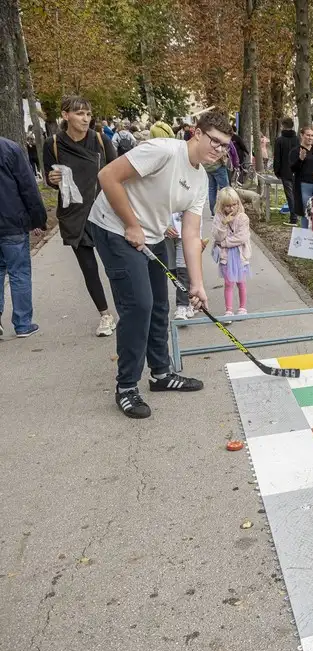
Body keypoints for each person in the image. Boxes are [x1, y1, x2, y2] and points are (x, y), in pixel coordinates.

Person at [87, 109, 232, 419]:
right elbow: (107, 177)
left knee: (159, 305)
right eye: (215, 142)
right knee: (138, 305)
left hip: (150, 233)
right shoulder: (164, 151)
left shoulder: (199, 178)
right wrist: (130, 224)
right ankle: (126, 387)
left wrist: (197, 284)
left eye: (224, 146)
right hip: (113, 226)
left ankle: (161, 375)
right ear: (197, 132)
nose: (219, 150)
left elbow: (191, 235)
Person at [43, 95, 119, 337]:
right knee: (89, 268)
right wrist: (51, 180)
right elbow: (50, 177)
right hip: (75, 215)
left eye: (88, 114)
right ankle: (105, 315)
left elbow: (118, 174)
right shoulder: (52, 144)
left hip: (105, 213)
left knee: (116, 265)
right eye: (79, 114)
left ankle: (127, 310)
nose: (86, 118)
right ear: (66, 116)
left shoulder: (101, 140)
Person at [0, 136, 47, 339]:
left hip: (11, 221)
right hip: (12, 221)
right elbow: (27, 186)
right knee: (19, 272)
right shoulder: (9, 148)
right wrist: (37, 218)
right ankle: (22, 323)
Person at [211, 187, 252, 316]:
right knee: (228, 283)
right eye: (227, 206)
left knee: (241, 282)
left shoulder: (243, 218)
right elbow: (217, 236)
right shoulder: (218, 217)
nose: (231, 208)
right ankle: (228, 310)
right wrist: (223, 224)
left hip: (240, 255)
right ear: (221, 205)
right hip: (226, 256)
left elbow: (242, 237)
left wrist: (224, 243)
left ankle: (242, 308)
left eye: (234, 204)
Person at [289, 126, 313, 231]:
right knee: (306, 212)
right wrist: (300, 159)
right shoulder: (295, 151)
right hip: (304, 185)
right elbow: (293, 169)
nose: (310, 138)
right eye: (308, 135)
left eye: (312, 135)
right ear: (302, 135)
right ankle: (306, 236)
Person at [273, 117, 301, 226]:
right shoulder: (297, 139)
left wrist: (277, 171)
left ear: (283, 126)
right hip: (296, 171)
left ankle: (293, 218)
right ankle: (298, 215)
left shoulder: (279, 140)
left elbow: (277, 158)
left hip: (285, 171)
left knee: (289, 195)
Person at [204, 146, 231, 218]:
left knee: (212, 189)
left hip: (208, 167)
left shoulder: (206, 139)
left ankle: (213, 212)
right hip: (218, 166)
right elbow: (221, 152)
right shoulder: (217, 140)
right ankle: (226, 211)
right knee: (225, 189)